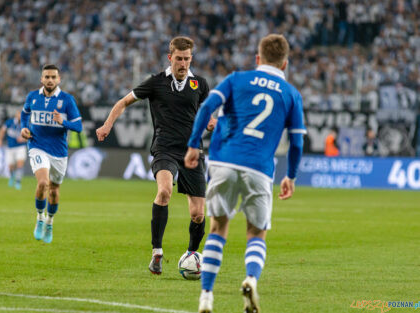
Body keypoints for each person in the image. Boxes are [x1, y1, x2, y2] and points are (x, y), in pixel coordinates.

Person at [184, 34, 306, 313]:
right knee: (256, 232)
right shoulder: (291, 94)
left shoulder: (236, 79)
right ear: (285, 64)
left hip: (224, 161)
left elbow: (206, 108)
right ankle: (250, 278)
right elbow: (297, 141)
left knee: (217, 227)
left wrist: (193, 144)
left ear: (257, 58)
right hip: (259, 168)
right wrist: (292, 176)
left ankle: (206, 297)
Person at [96, 36, 216, 275]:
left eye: (187, 59)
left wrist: (212, 120)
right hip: (164, 149)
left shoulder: (200, 84)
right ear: (170, 57)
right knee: (164, 191)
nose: (183, 64)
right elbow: (123, 102)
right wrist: (107, 124)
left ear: (191, 58)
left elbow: (210, 109)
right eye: (179, 59)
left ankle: (192, 253)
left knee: (198, 213)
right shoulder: (155, 82)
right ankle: (157, 252)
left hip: (192, 153)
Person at [20, 64, 82, 244]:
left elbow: (78, 126)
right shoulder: (32, 97)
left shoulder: (67, 100)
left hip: (59, 152)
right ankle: (39, 217)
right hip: (37, 145)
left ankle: (49, 221)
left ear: (59, 79)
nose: (50, 80)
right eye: (47, 77)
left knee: (54, 190)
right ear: (41, 79)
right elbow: (25, 114)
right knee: (42, 183)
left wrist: (64, 122)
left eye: (53, 77)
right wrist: (24, 128)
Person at [0, 111, 27, 189]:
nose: (20, 116)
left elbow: (31, 135)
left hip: (21, 147)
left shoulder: (26, 123)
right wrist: (0, 140)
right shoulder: (9, 122)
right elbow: (2, 130)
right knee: (10, 166)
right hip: (10, 147)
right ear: (16, 115)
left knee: (20, 164)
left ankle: (18, 182)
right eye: (18, 114)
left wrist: (24, 139)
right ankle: (12, 176)